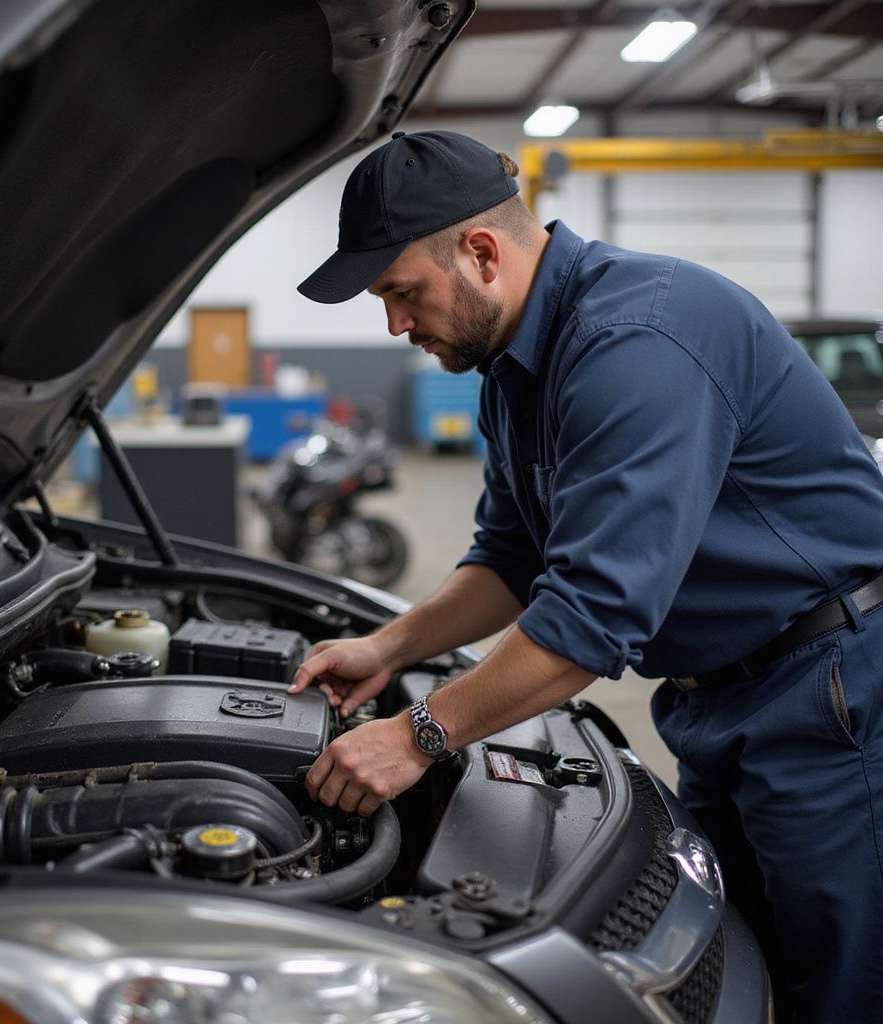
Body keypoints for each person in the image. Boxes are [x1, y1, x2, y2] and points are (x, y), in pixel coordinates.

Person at [288, 129, 883, 1023]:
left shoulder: (637, 339)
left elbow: (592, 620)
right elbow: (513, 561)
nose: (394, 325)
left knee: (843, 990)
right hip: (720, 700)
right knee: (738, 972)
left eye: (402, 293)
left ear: (481, 253)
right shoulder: (512, 374)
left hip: (831, 693)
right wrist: (388, 645)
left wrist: (416, 736)